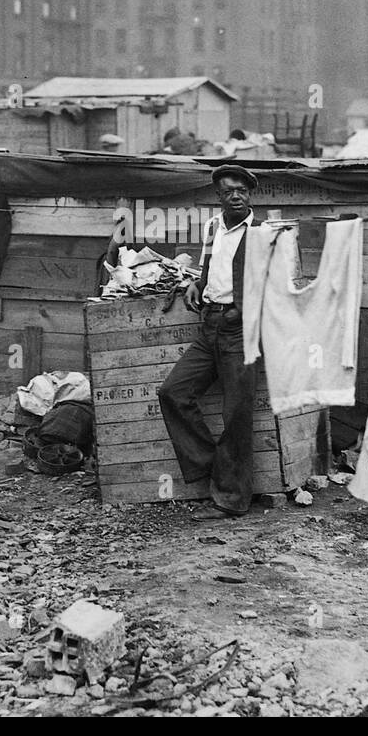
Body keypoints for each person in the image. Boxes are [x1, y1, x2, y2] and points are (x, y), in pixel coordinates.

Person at [157, 165, 259, 520]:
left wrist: (245, 313)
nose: (235, 195)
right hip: (209, 325)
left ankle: (233, 500)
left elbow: (278, 282)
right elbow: (208, 266)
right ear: (219, 195)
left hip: (240, 330)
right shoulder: (213, 227)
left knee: (237, 413)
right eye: (228, 190)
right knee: (173, 391)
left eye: (241, 191)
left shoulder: (262, 233)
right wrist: (195, 284)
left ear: (249, 195)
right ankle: (214, 466)